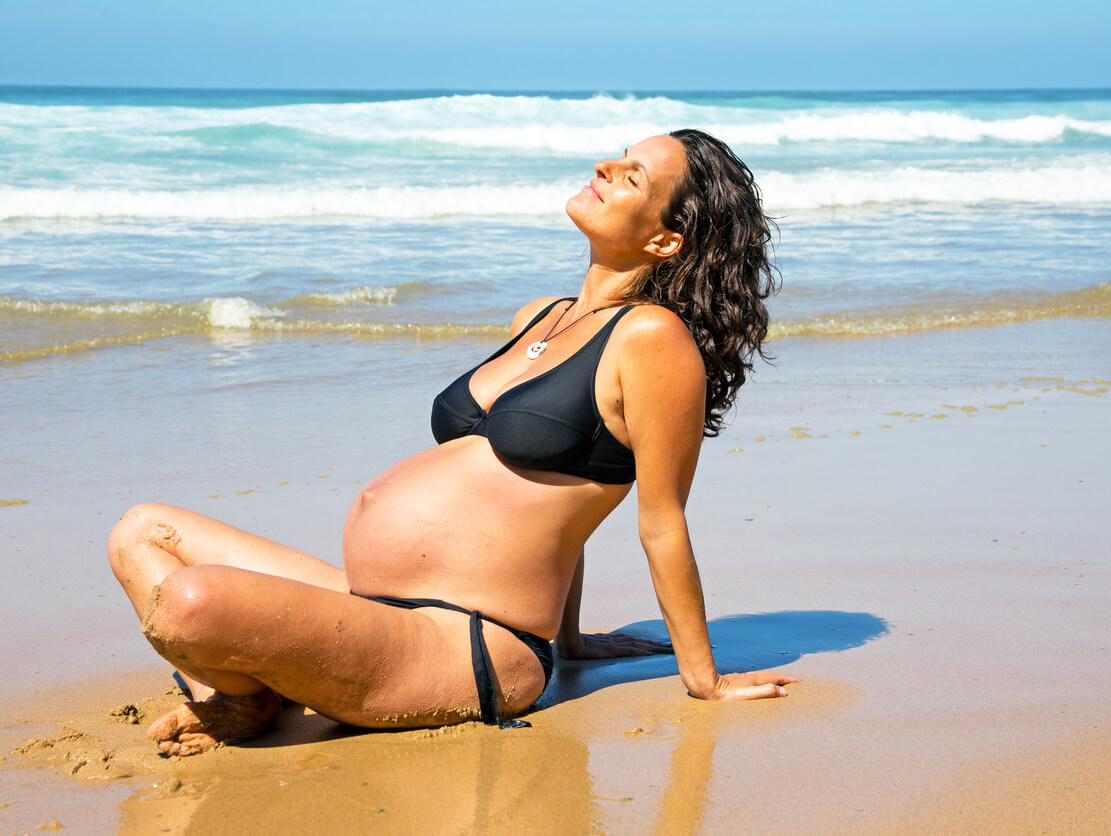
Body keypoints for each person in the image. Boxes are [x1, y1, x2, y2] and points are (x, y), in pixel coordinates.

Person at [107, 129, 795, 756]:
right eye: (618, 158)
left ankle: (242, 697)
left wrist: (701, 678)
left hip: (463, 643)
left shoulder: (652, 339)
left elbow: (661, 518)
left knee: (192, 603)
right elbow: (554, 502)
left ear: (664, 241)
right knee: (141, 532)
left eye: (633, 176)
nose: (605, 167)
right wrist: (576, 636)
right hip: (376, 606)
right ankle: (246, 695)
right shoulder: (544, 317)